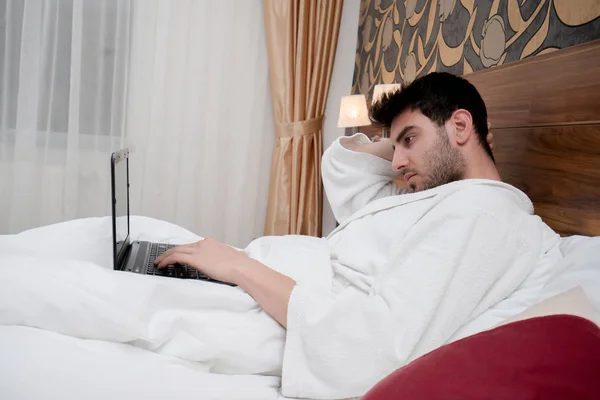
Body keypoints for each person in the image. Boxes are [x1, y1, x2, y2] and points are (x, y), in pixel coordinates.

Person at [0, 73, 560, 400]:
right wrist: (399, 142)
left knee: (73, 289)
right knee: (115, 238)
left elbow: (378, 342)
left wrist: (240, 269)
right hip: (264, 282)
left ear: (461, 127)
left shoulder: (485, 217)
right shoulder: (433, 195)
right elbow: (342, 172)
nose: (398, 161)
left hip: (286, 319)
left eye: (410, 140)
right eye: (398, 145)